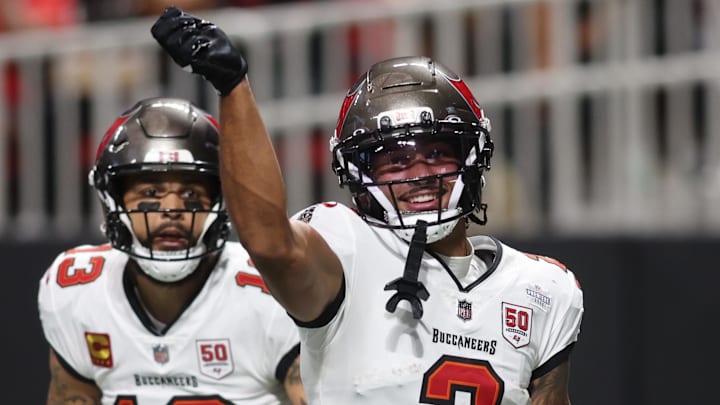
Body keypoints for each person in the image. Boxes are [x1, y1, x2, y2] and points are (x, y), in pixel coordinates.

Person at [151, 7, 584, 404]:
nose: (418, 173)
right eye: (395, 161)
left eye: (437, 153)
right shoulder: (347, 248)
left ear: (474, 156)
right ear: (360, 175)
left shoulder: (542, 289)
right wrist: (234, 88)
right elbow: (269, 243)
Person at [38, 96, 307, 405]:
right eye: (151, 192)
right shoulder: (78, 290)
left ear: (221, 201)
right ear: (113, 200)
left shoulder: (266, 292)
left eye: (191, 193)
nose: (172, 209)